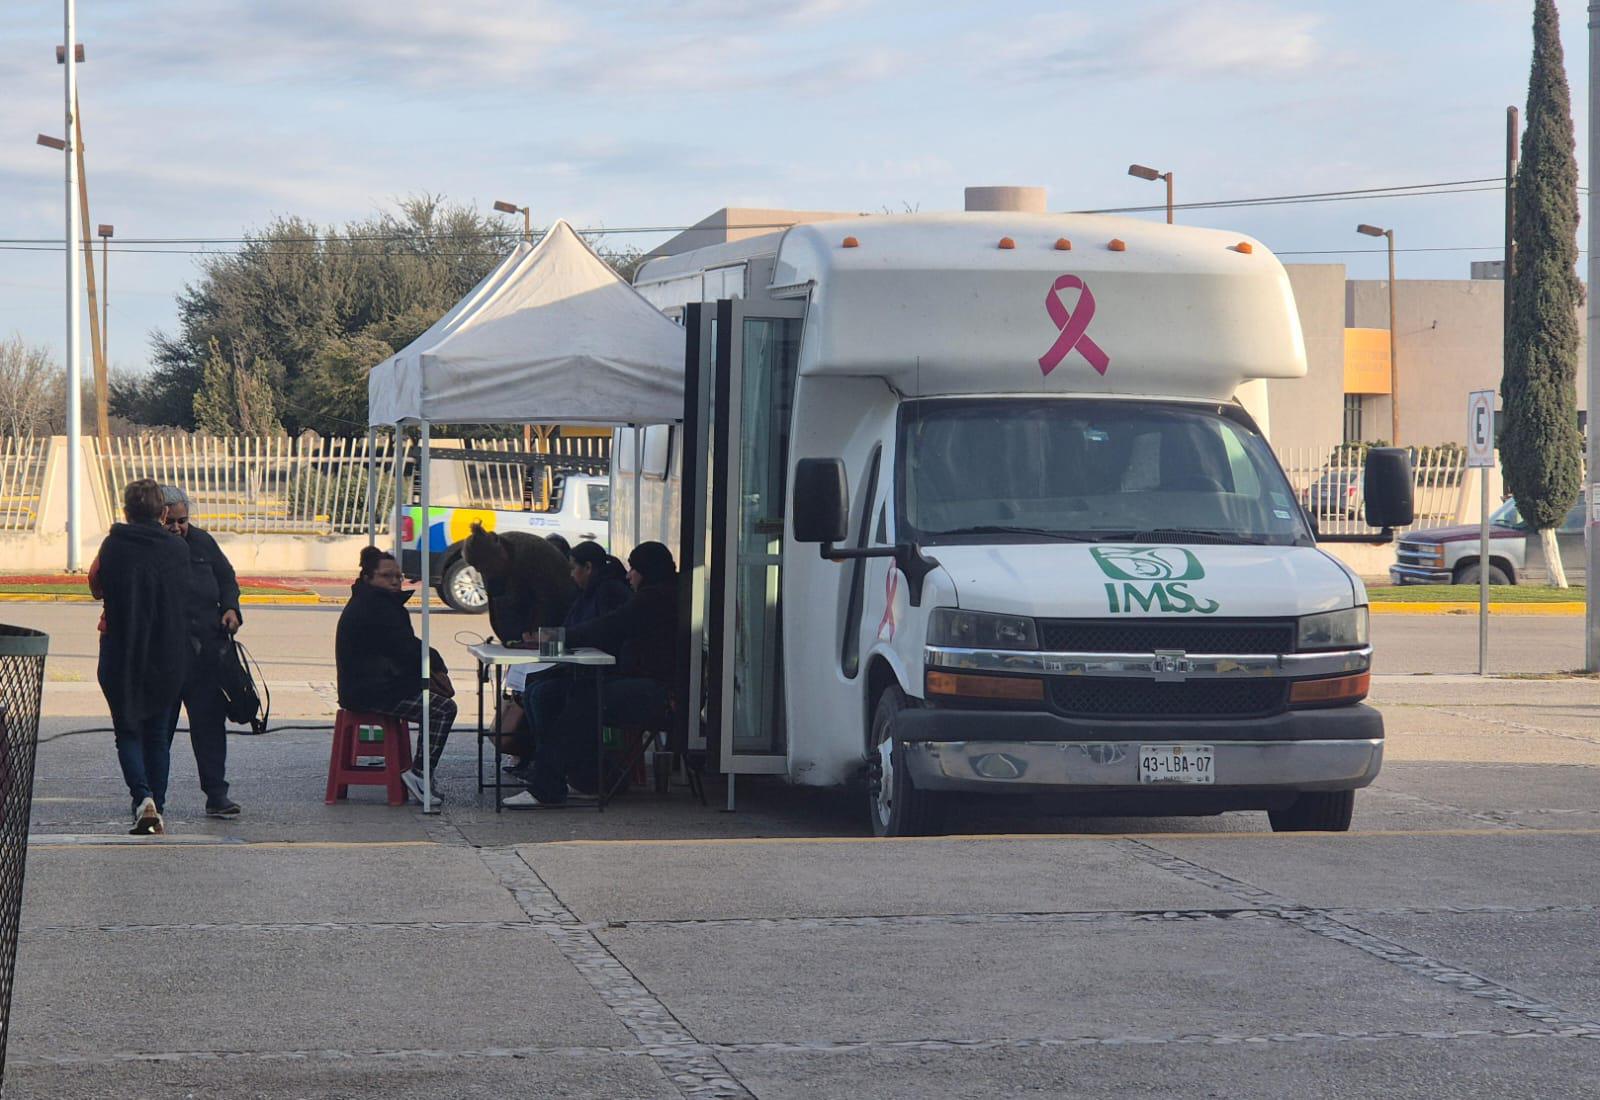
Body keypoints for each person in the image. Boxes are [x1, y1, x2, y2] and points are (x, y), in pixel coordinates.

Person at [504, 541, 678, 808]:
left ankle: (548, 786)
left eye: (635, 569)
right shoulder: (653, 595)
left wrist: (548, 640)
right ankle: (582, 778)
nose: (629, 574)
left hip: (654, 690)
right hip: (640, 681)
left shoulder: (652, 599)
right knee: (554, 693)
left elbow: (606, 627)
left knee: (581, 700)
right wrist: (548, 640)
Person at [92, 478, 191, 835]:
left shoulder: (112, 545)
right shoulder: (177, 550)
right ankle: (157, 806)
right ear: (164, 513)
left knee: (127, 730)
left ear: (125, 512)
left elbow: (95, 585)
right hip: (166, 651)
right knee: (157, 733)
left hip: (120, 648)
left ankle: (142, 797)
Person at [335, 546, 456, 804]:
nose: (394, 581)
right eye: (386, 576)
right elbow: (405, 649)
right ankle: (420, 774)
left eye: (398, 576)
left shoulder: (374, 601)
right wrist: (436, 665)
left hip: (375, 685)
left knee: (433, 699)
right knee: (443, 709)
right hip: (372, 691)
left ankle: (421, 772)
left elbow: (401, 649)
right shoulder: (376, 607)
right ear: (369, 578)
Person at [504, 541, 633, 777]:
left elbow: (596, 631)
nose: (572, 575)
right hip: (580, 669)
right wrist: (537, 641)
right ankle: (540, 763)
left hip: (602, 674)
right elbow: (571, 629)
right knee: (532, 687)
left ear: (589, 567)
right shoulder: (586, 593)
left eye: (574, 569)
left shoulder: (609, 591)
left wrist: (551, 639)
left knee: (542, 694)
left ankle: (552, 770)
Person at [159, 486, 244, 819]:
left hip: (207, 655)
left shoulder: (203, 542)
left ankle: (217, 795)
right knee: (158, 729)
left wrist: (232, 609)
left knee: (209, 726)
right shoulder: (151, 548)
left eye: (182, 521)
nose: (178, 528)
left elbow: (227, 580)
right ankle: (152, 798)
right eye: (170, 521)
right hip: (165, 656)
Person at [462, 524, 575, 644]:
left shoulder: (533, 555)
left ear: (498, 557)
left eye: (486, 568)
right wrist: (509, 642)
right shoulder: (491, 562)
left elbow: (549, 603)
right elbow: (496, 605)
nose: (480, 572)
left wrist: (533, 637)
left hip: (559, 610)